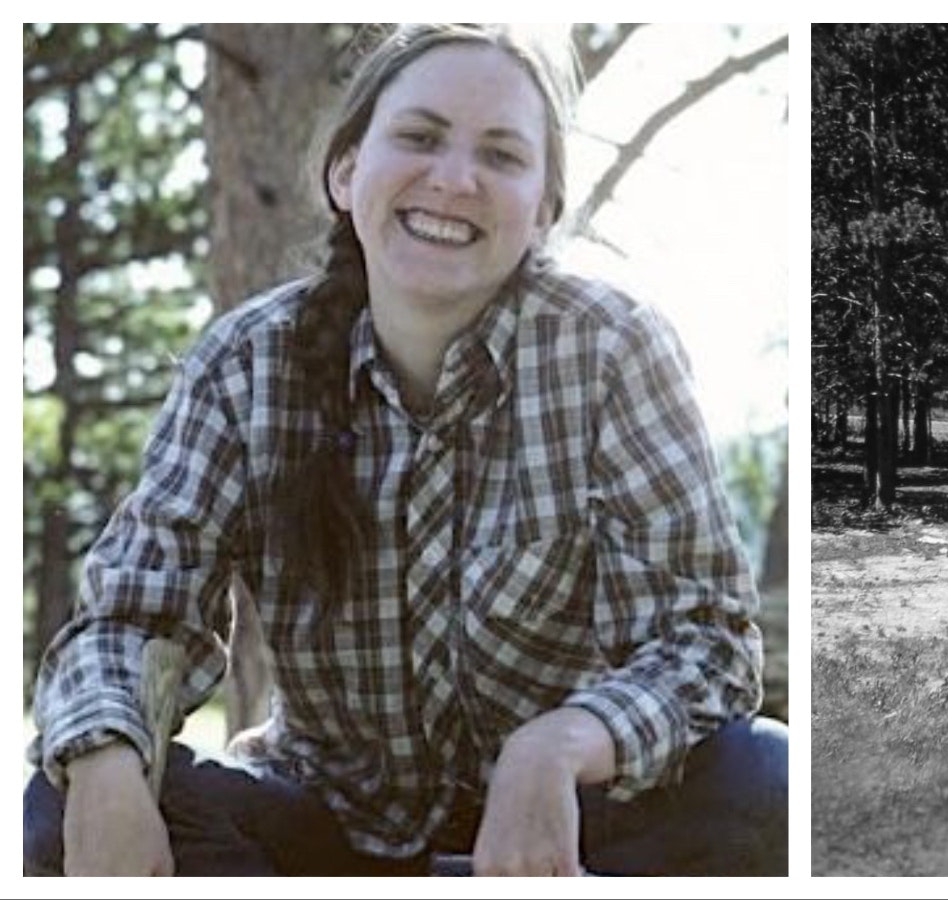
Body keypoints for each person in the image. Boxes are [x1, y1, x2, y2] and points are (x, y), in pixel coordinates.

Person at [24, 23, 786, 877]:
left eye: (501, 155)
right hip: (324, 824)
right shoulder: (246, 364)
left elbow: (708, 640)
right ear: (347, 173)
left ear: (542, 211)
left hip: (563, 828)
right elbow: (132, 616)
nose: (455, 180)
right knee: (71, 801)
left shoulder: (612, 350)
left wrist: (559, 743)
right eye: (419, 138)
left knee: (762, 781)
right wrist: (102, 767)